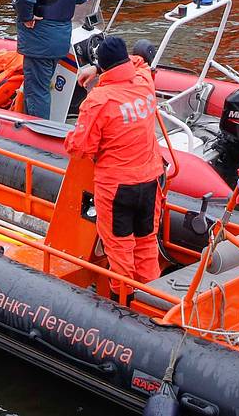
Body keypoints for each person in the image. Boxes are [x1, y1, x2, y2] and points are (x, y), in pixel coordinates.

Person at [64, 36, 165, 283]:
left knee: (119, 250)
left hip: (117, 188)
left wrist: (70, 136)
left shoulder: (98, 101)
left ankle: (125, 305)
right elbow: (140, 61)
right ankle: (152, 299)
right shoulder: (144, 83)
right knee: (146, 244)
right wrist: (98, 67)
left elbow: (79, 148)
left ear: (105, 66)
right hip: (150, 181)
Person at [13, 0, 87, 120]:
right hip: (60, 39)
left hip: (40, 42)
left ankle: (37, 132)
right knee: (43, 84)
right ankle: (38, 124)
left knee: (36, 89)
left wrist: (27, 17)